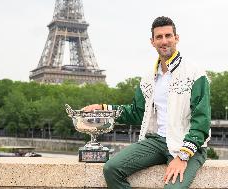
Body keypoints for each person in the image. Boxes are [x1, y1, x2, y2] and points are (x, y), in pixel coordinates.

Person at [83, 16, 211, 189]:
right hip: (157, 142)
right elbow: (137, 112)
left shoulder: (195, 73)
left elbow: (201, 120)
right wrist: (104, 109)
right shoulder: (148, 78)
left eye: (168, 36)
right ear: (152, 42)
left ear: (176, 38)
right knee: (111, 169)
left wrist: (182, 157)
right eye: (159, 37)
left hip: (188, 145)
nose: (164, 41)